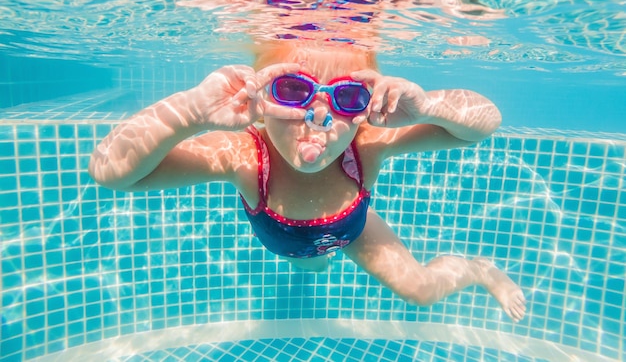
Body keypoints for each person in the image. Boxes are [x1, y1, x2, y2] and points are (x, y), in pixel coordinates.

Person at [89, 39, 527, 322]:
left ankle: (477, 270)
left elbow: (484, 123)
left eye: (347, 97)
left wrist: (427, 106)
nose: (319, 119)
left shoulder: (367, 143)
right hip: (296, 239)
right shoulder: (243, 155)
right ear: (259, 99)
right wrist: (190, 112)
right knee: (312, 265)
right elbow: (111, 172)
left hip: (354, 231)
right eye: (293, 91)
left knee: (421, 292)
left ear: (367, 106)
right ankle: (314, 262)